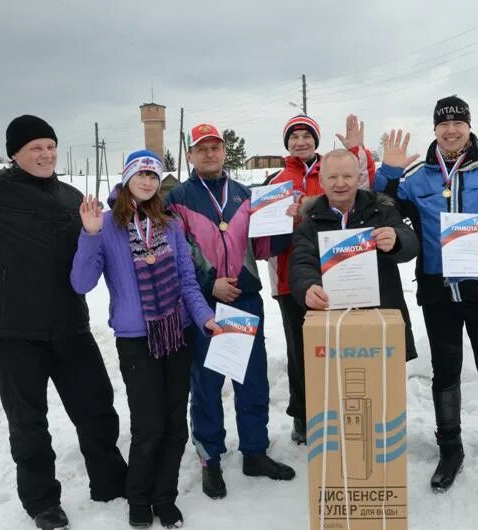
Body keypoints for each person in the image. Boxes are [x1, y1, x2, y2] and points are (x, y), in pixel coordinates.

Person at [0, 113, 127, 530]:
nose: (46, 154)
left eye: (50, 146)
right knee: (28, 422)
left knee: (97, 410)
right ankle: (42, 502)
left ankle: (111, 481)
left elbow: (99, 251)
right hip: (14, 330)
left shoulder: (72, 197)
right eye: (35, 148)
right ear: (15, 154)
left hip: (70, 326)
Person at [373, 96, 478, 499]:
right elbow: (381, 208)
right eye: (444, 125)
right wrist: (388, 172)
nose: (451, 131)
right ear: (434, 130)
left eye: (458, 123)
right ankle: (450, 451)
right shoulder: (416, 176)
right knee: (445, 371)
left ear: (468, 125)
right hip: (437, 290)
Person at [70, 150, 221, 528]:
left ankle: (164, 496)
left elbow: (188, 282)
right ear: (127, 178)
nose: (149, 181)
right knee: (148, 425)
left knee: (174, 423)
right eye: (142, 174)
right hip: (136, 340)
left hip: (176, 335)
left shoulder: (169, 226)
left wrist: (204, 318)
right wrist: (89, 236)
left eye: (154, 175)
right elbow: (81, 283)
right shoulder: (105, 226)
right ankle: (139, 497)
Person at [165, 123, 299, 500]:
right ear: (190, 155)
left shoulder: (246, 196)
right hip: (203, 303)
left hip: (244, 299)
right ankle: (210, 458)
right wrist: (210, 286)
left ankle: (255, 452)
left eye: (215, 147)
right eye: (201, 148)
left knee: (251, 379)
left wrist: (285, 220)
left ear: (225, 152)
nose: (209, 153)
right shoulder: (177, 199)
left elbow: (263, 248)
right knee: (206, 384)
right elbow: (176, 254)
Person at [263, 114, 377, 444]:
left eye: (307, 136)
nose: (301, 141)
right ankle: (303, 415)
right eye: (294, 137)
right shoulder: (276, 181)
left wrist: (358, 150)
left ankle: (341, 409)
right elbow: (263, 239)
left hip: (344, 275)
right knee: (300, 352)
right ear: (286, 143)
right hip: (291, 281)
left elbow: (366, 185)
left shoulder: (331, 171)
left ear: (316, 140)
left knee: (340, 349)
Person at [288, 148, 419, 356]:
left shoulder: (381, 210)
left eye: (347, 176)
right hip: (332, 322)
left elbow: (411, 243)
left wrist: (397, 240)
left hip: (382, 317)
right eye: (332, 177)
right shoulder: (309, 224)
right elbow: (301, 264)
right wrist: (307, 288)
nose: (340, 183)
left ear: (359, 178)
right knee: (340, 385)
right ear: (321, 181)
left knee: (384, 386)